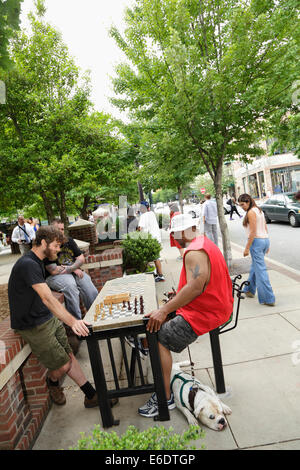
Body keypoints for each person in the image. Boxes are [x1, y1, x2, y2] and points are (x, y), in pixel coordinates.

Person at [8, 225, 118, 408]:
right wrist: (73, 321)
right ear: (43, 242)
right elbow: (48, 298)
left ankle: (91, 395)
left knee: (68, 356)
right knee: (63, 365)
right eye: (56, 246)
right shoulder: (27, 264)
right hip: (32, 325)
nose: (58, 250)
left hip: (45, 317)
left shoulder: (36, 261)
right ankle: (52, 383)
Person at [138, 213, 233, 417]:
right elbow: (198, 285)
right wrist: (176, 298)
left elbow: (196, 287)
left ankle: (164, 398)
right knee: (158, 322)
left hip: (206, 312)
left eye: (174, 233)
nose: (174, 237)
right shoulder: (204, 243)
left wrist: (165, 310)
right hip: (216, 305)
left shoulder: (193, 252)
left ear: (183, 231)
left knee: (158, 336)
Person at [44, 219, 98, 320]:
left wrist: (72, 268)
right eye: (57, 229)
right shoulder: (48, 245)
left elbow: (81, 258)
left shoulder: (69, 241)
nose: (61, 231)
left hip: (73, 272)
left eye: (62, 229)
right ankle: (76, 323)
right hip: (55, 276)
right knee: (70, 286)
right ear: (51, 231)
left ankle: (95, 318)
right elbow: (53, 270)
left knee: (89, 287)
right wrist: (73, 268)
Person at [238, 194, 275, 306]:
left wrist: (247, 248)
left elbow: (253, 232)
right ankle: (249, 289)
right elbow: (264, 227)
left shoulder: (251, 212)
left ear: (248, 202)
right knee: (256, 267)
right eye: (240, 205)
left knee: (261, 271)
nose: (241, 207)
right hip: (264, 240)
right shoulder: (259, 210)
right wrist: (267, 244)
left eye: (243, 204)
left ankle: (269, 299)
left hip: (257, 242)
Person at [138, 201, 165, 282]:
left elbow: (140, 228)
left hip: (151, 239)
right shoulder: (152, 213)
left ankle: (160, 275)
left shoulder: (143, 216)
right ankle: (157, 273)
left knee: (155, 258)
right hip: (156, 237)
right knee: (155, 257)